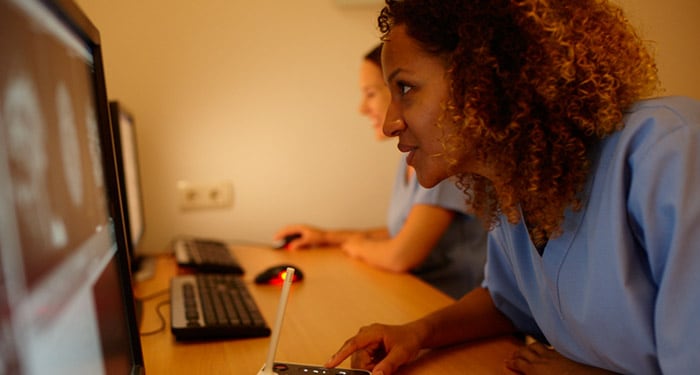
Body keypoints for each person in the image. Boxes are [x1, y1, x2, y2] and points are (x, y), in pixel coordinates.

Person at [324, 1, 700, 374]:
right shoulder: (513, 185)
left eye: (406, 87)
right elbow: (507, 303)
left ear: (489, 78)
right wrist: (417, 333)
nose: (390, 123)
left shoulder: (668, 152)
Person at [274, 44, 487, 299]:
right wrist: (328, 237)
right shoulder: (413, 155)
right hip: (420, 295)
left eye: (370, 93)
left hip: (455, 305)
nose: (362, 108)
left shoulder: (443, 159)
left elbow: (400, 255)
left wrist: (356, 245)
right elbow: (401, 231)